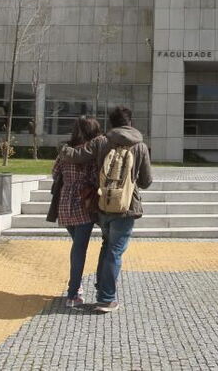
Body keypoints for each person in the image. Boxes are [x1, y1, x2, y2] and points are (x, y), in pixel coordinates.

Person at [62, 106, 152, 313]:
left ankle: (102, 290)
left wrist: (63, 148)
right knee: (115, 251)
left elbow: (76, 155)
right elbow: (147, 181)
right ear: (130, 122)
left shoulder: (101, 142)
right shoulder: (140, 147)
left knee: (107, 246)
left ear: (111, 123)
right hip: (126, 206)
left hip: (103, 205)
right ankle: (106, 298)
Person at [51, 116, 106, 308]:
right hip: (84, 203)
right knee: (79, 249)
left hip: (65, 203)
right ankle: (73, 292)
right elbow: (95, 177)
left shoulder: (65, 152)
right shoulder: (90, 154)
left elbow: (55, 173)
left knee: (77, 246)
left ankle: (76, 287)